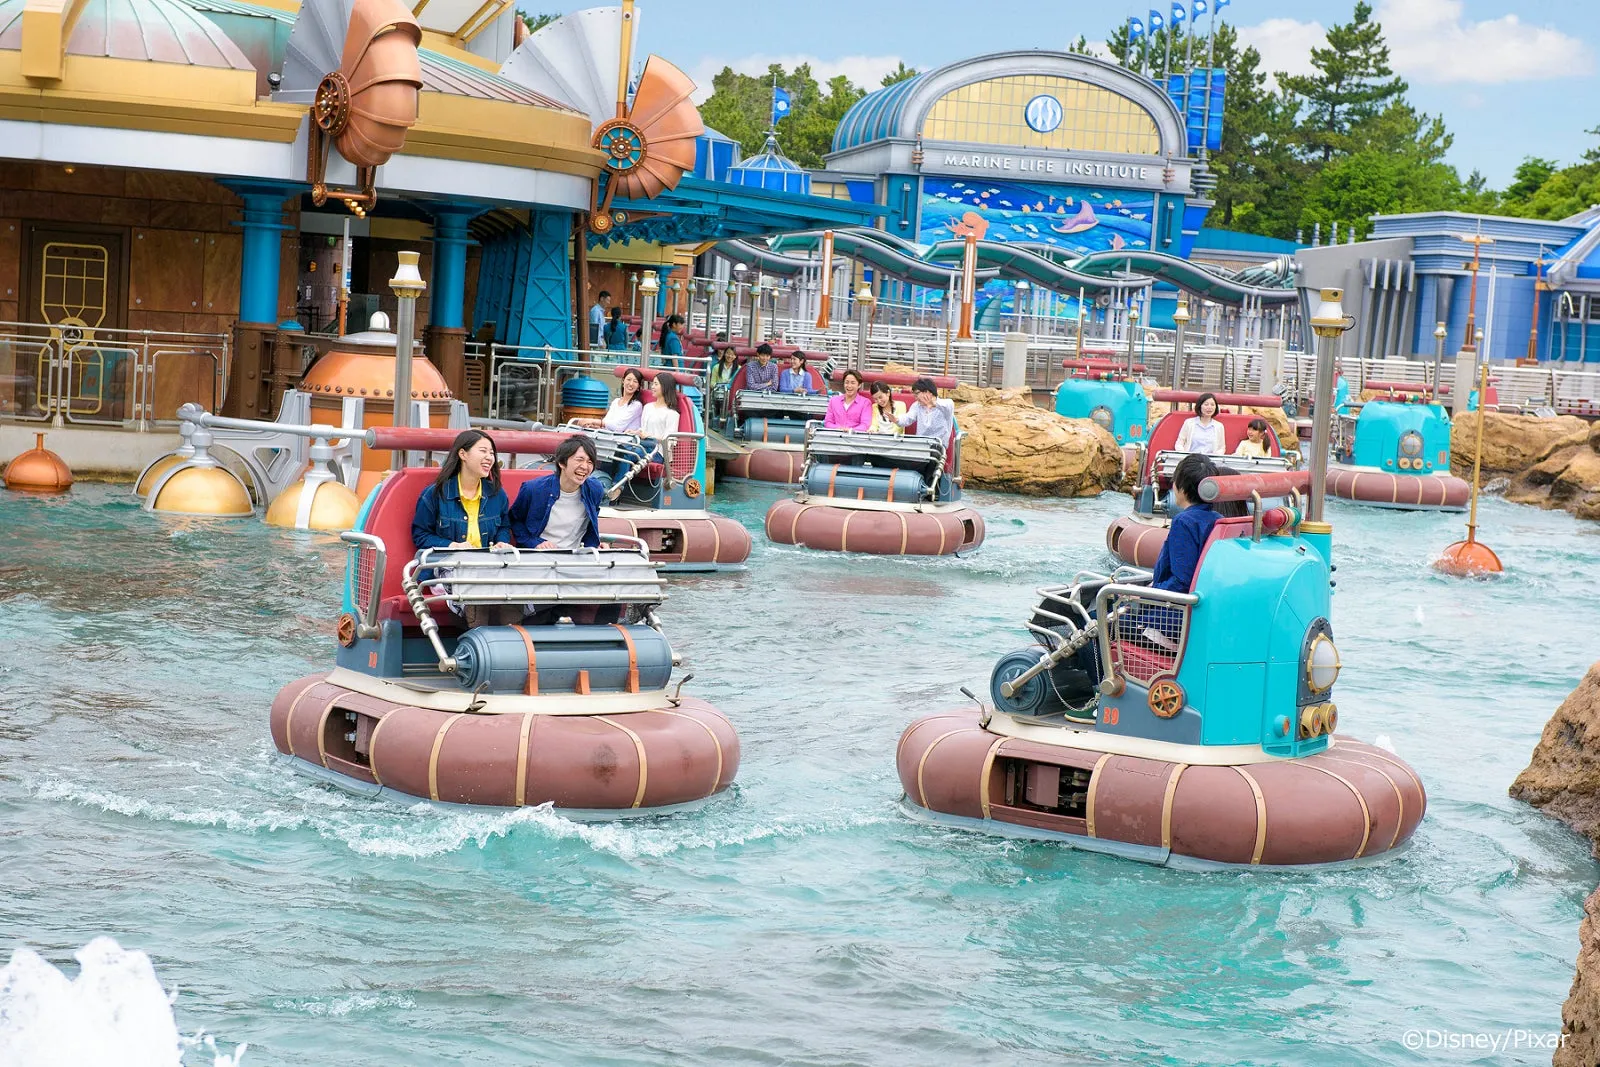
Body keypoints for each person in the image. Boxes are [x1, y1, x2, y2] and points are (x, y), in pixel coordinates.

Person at [412, 429, 516, 626]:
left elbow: (504, 525)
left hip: (488, 565)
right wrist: (451, 545)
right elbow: (420, 535)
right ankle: (482, 644)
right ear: (463, 454)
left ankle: (511, 645)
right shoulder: (435, 494)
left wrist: (502, 541)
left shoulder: (496, 494)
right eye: (483, 451)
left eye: (492, 453)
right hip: (448, 565)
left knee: (514, 589)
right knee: (477, 587)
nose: (489, 458)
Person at [510, 436, 604, 550]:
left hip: (576, 557)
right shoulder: (533, 489)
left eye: (590, 462)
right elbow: (515, 520)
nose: (585, 467)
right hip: (539, 556)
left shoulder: (595, 489)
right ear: (562, 463)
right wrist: (535, 543)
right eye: (579, 460)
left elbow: (591, 524)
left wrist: (595, 544)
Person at [1151, 453, 1221, 594]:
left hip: (1172, 610)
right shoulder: (1218, 519)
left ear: (1181, 487)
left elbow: (1182, 583)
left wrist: (1145, 593)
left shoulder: (1183, 522)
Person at [574, 367, 644, 434]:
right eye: (628, 380)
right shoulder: (616, 401)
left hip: (626, 442)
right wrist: (595, 426)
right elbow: (606, 422)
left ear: (638, 387)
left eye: (635, 381)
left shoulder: (636, 405)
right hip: (611, 438)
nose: (631, 384)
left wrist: (593, 421)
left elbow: (618, 427)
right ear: (623, 381)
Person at [639, 371, 683, 463]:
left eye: (656, 384)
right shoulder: (648, 407)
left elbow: (669, 440)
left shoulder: (672, 413)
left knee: (628, 453)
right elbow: (643, 429)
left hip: (658, 453)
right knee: (621, 449)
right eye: (653, 384)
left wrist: (649, 436)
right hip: (643, 446)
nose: (652, 387)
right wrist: (635, 432)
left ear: (665, 387)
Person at [896, 377, 956, 442]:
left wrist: (934, 403)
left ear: (926, 392)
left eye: (917, 394)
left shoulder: (946, 404)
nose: (915, 398)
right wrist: (897, 419)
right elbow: (908, 418)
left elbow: (947, 406)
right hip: (920, 444)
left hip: (937, 445)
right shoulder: (917, 405)